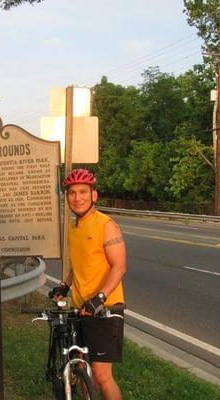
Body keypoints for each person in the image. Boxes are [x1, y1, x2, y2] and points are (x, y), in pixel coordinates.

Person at [51, 169, 127, 400]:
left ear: (94, 195)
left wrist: (100, 298)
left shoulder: (106, 225)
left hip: (105, 309)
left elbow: (119, 266)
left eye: (83, 192)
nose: (77, 198)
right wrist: (65, 285)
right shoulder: (74, 228)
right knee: (83, 371)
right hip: (80, 309)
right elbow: (81, 263)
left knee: (102, 377)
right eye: (72, 193)